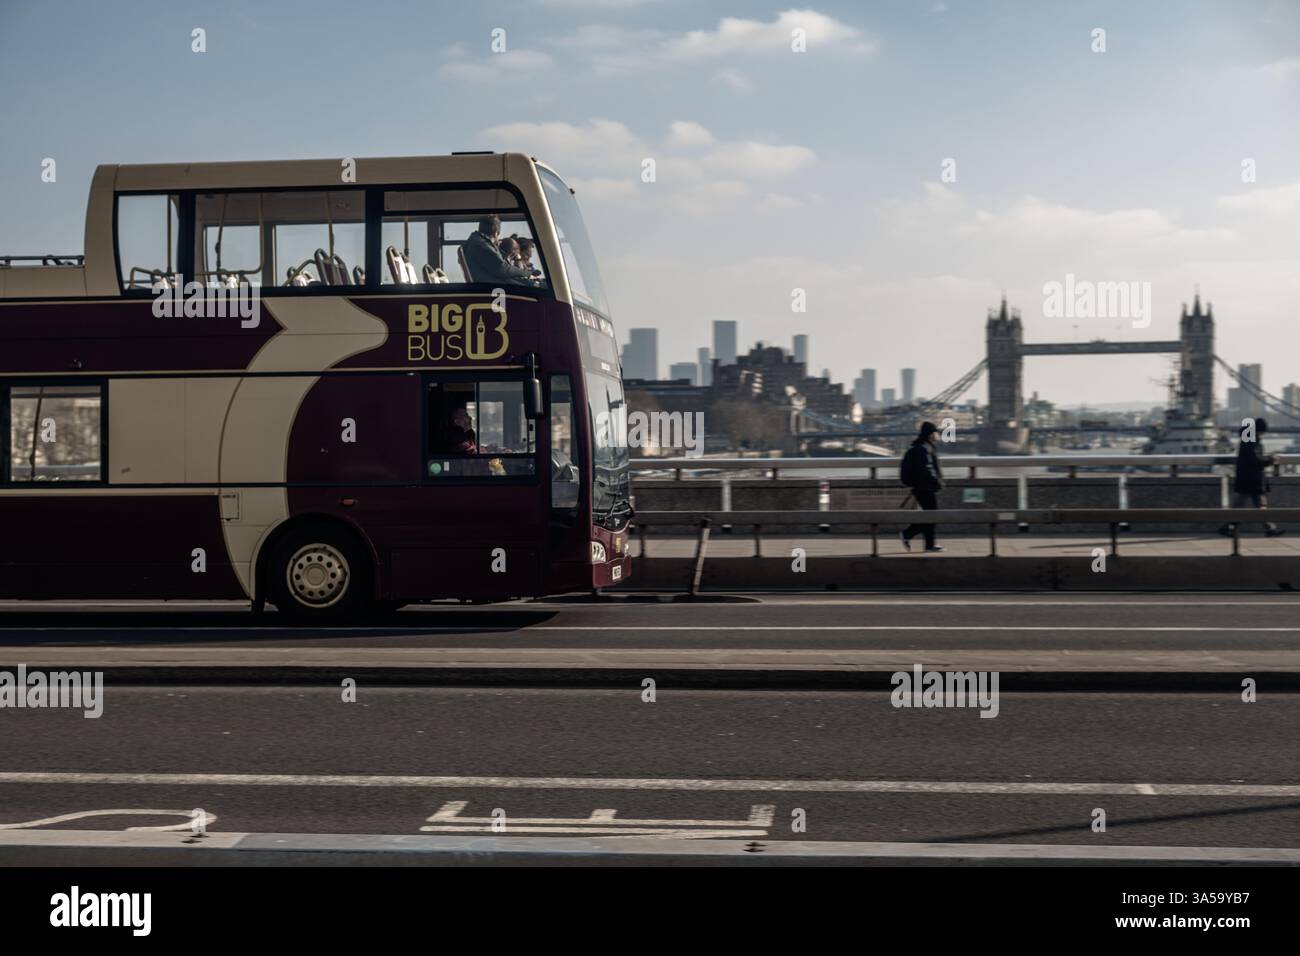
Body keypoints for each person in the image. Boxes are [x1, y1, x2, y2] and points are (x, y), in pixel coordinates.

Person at [1219, 417, 1284, 537]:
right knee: (1259, 505)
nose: (1263, 434)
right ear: (1259, 430)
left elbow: (1253, 458)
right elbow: (1255, 459)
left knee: (1243, 506)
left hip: (1246, 478)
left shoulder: (1247, 439)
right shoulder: (1252, 441)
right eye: (1262, 431)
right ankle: (1269, 529)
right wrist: (1271, 459)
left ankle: (1228, 527)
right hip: (1253, 479)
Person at [900, 421, 945, 552]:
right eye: (935, 432)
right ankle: (909, 534)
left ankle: (928, 544)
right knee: (931, 516)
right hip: (925, 488)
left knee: (929, 515)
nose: (936, 435)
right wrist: (936, 482)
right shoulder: (924, 448)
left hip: (922, 487)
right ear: (930, 434)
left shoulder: (923, 446)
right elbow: (927, 469)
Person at [461, 215, 536, 285]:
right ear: (496, 233)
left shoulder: (476, 241)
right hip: (492, 287)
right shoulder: (482, 246)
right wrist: (526, 273)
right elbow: (503, 269)